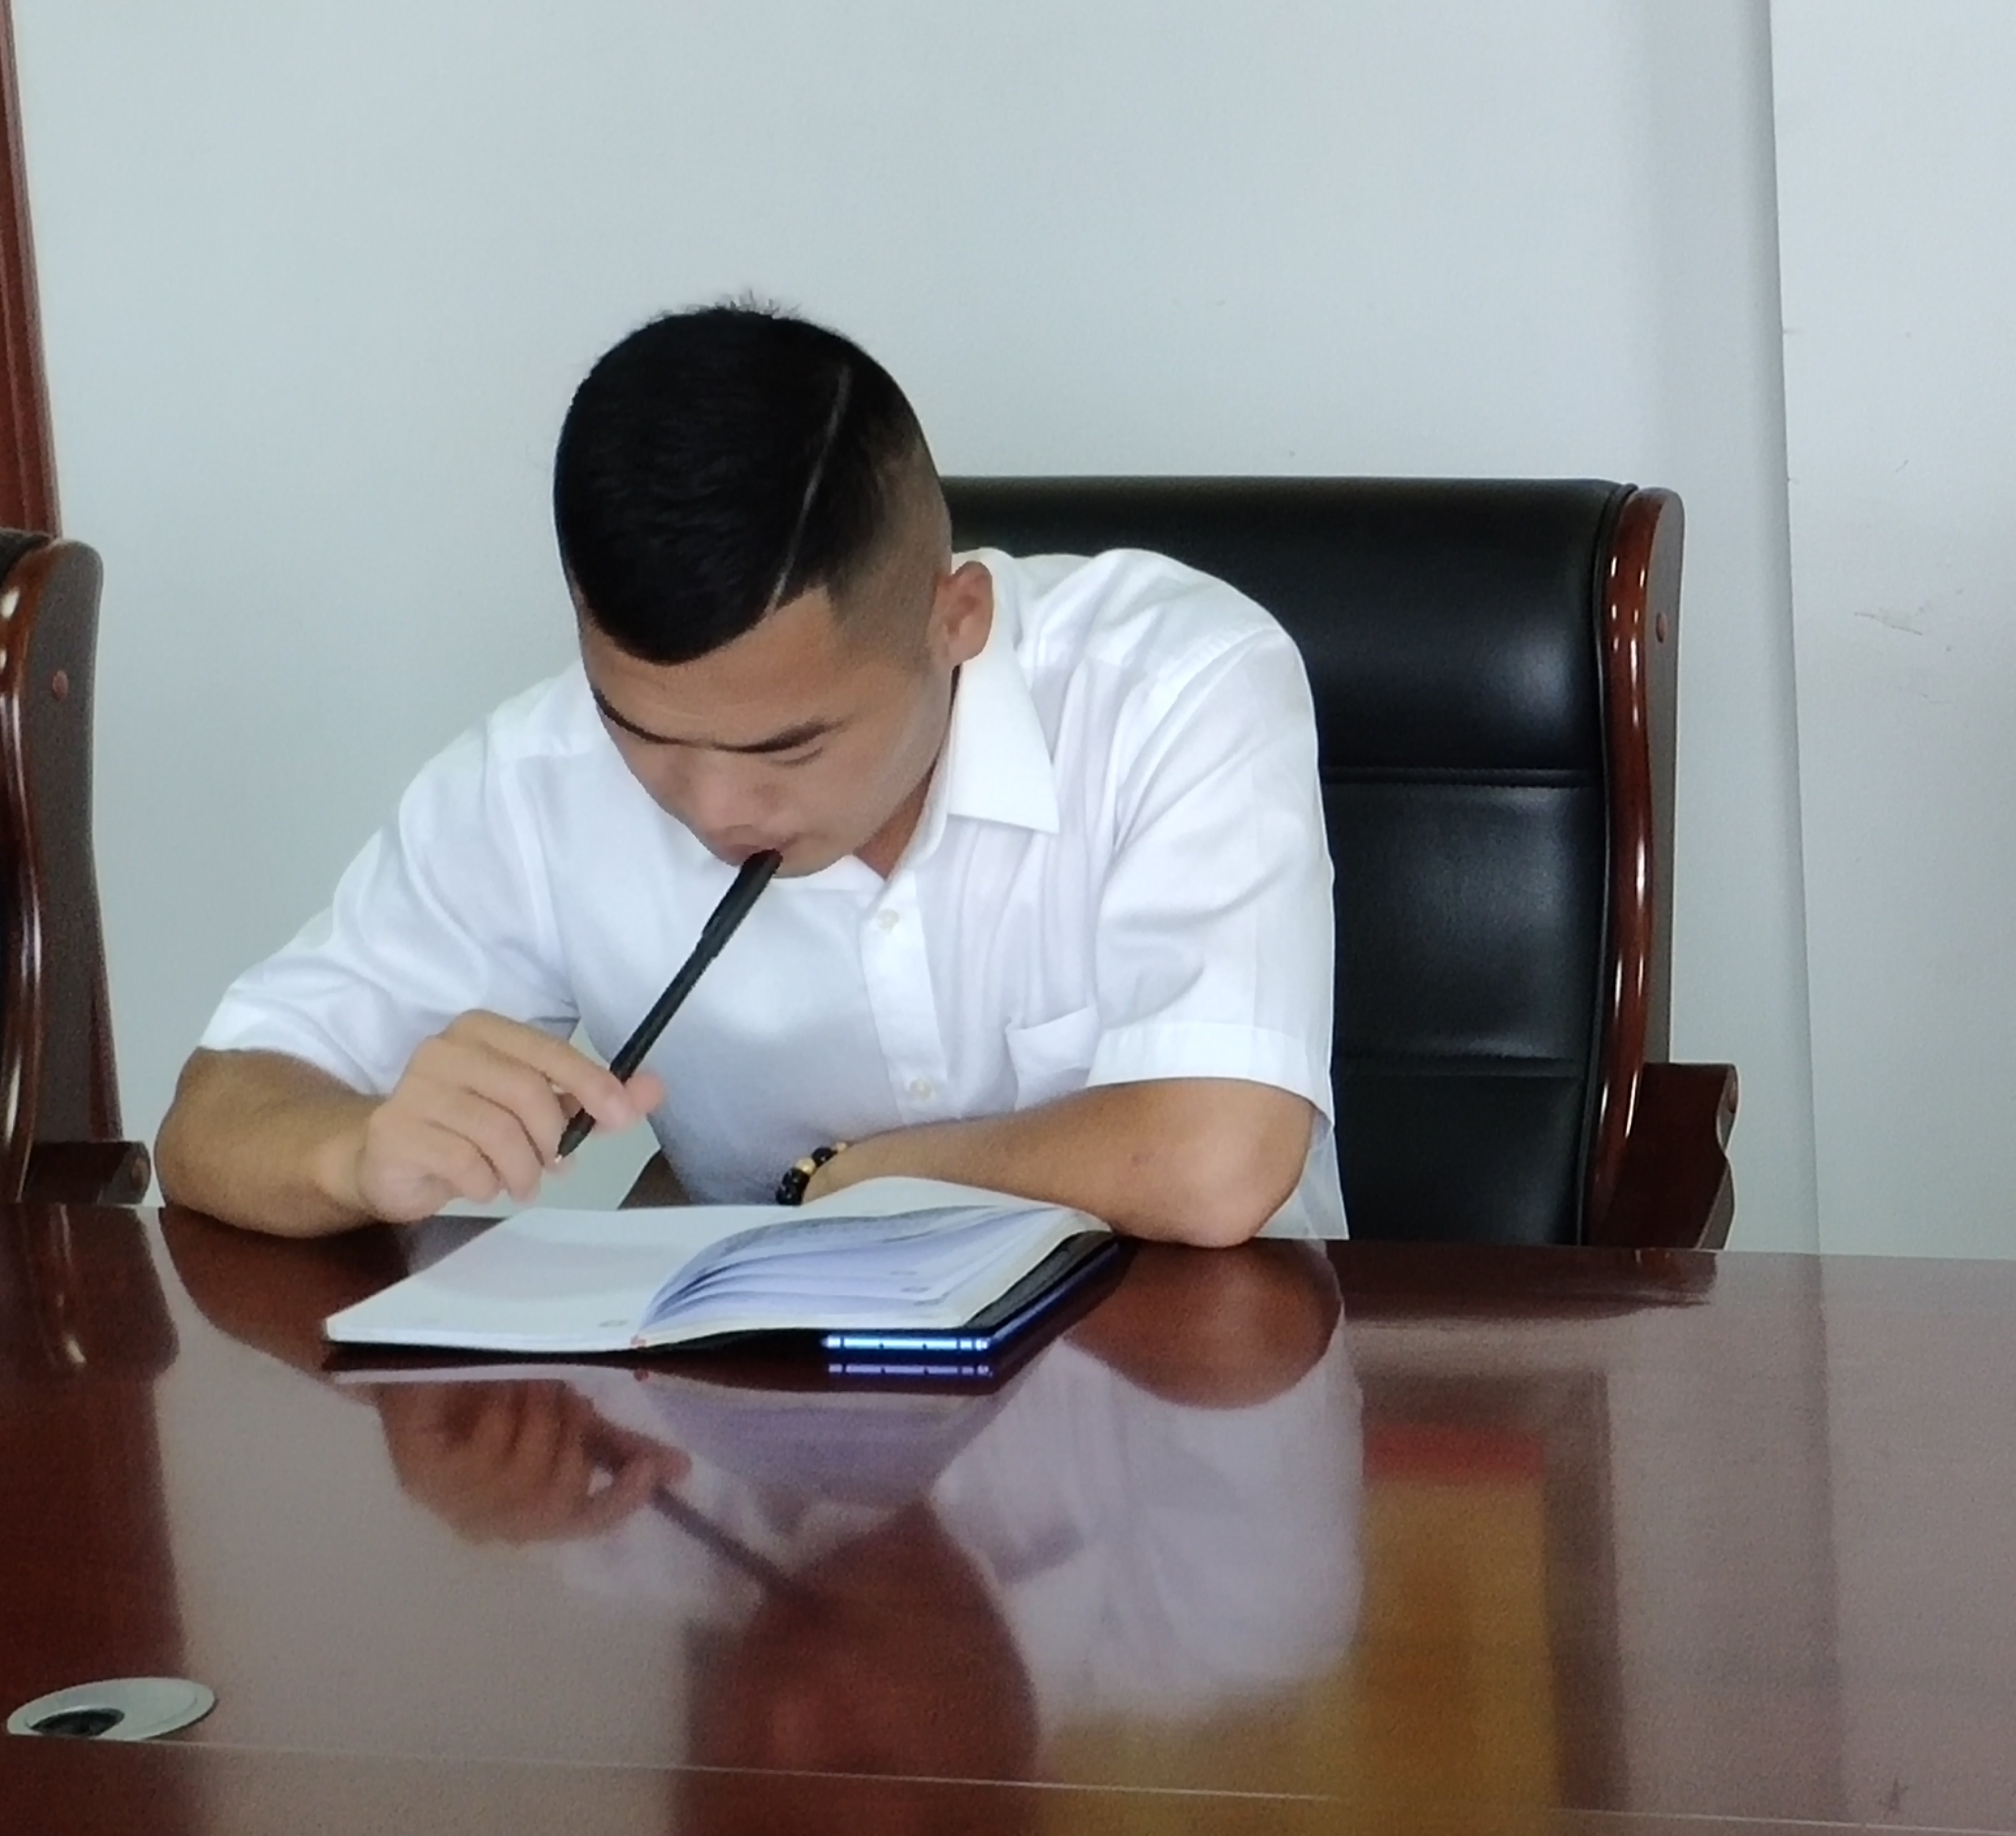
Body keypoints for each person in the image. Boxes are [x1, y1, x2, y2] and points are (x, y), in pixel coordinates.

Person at [158, 302, 1337, 1245]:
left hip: (1183, 1412)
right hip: (770, 1444)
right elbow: (213, 1118)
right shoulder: (540, 776)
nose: (713, 809)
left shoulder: (1174, 686)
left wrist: (842, 1182)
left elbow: (1214, 1158)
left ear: (957, 619)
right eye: (643, 731)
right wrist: (357, 1152)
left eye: (789, 748)